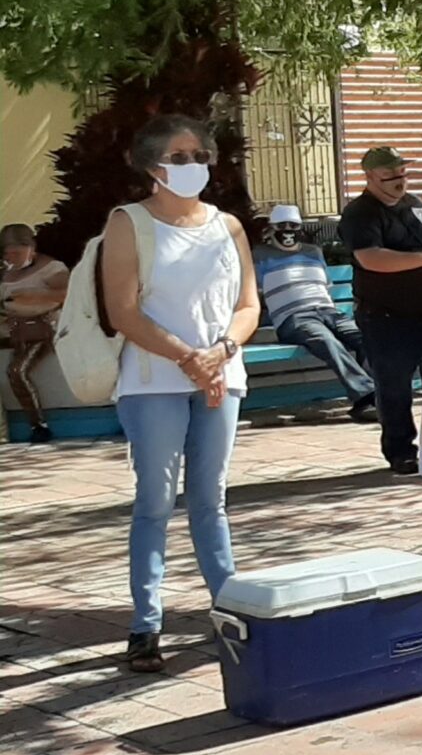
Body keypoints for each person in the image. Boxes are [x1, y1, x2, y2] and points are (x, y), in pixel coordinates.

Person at [100, 115, 258, 673]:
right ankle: (146, 624)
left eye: (200, 155)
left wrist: (221, 352)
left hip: (221, 377)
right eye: (180, 156)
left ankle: (230, 608)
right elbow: (124, 311)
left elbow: (247, 305)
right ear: (152, 166)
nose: (194, 165)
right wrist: (190, 358)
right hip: (154, 381)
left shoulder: (227, 226)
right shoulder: (129, 223)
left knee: (211, 498)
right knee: (156, 500)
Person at [340, 146, 422, 476]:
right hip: (386, 317)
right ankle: (401, 451)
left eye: (401, 171)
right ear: (370, 176)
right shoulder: (360, 213)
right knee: (395, 388)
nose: (398, 179)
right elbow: (370, 258)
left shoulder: (413, 204)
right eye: (389, 174)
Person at [252, 205, 375, 424]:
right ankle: (366, 397)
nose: (288, 230)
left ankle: (377, 397)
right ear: (271, 229)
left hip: (327, 311)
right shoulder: (260, 255)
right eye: (282, 226)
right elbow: (254, 290)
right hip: (293, 317)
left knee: (367, 339)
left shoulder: (313, 252)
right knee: (327, 341)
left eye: (293, 226)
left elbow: (325, 284)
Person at [2, 224, 69, 443]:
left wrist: (35, 296)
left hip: (44, 330)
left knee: (17, 371)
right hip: (16, 332)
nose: (11, 257)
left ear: (31, 248)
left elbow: (68, 294)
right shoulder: (6, 272)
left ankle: (39, 425)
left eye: (17, 253)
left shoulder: (50, 268)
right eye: (8, 253)